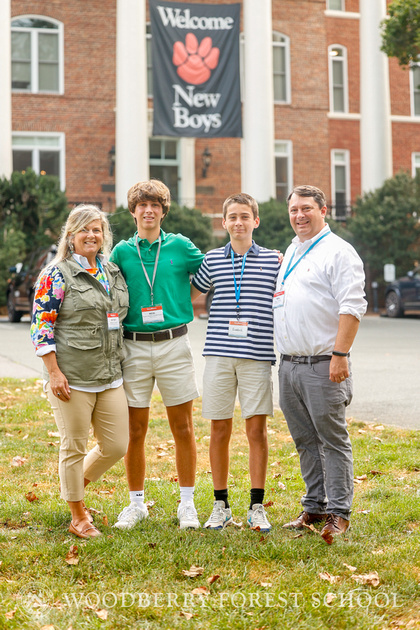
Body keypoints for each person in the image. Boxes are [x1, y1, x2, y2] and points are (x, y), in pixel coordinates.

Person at [273, 185, 367, 544]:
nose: (299, 215)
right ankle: (314, 505)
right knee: (304, 440)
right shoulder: (293, 250)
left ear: (323, 210)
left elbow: (352, 306)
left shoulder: (338, 252)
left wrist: (340, 355)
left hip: (324, 364)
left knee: (332, 440)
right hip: (290, 365)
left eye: (307, 208)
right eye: (294, 209)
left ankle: (339, 513)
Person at [110, 179, 205, 530]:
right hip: (133, 346)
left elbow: (208, 275)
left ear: (163, 211)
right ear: (133, 211)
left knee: (183, 426)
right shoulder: (120, 252)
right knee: (135, 429)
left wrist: (182, 300)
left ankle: (187, 503)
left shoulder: (181, 246)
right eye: (141, 205)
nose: (148, 211)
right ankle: (136, 504)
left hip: (173, 344)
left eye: (155, 205)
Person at [31, 205, 129, 539]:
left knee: (116, 446)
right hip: (71, 377)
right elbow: (41, 326)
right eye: (84, 230)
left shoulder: (112, 271)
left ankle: (75, 492)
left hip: (110, 375)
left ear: (104, 236)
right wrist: (54, 372)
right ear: (71, 236)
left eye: (97, 230)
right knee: (74, 445)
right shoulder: (57, 273)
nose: (91, 235)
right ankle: (77, 515)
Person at [191, 193, 280, 532]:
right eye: (233, 217)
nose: (239, 222)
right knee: (218, 428)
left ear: (255, 221)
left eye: (245, 216)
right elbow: (188, 296)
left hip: (257, 357)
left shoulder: (274, 261)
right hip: (218, 355)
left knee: (256, 429)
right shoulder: (212, 261)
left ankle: (257, 505)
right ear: (224, 222)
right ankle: (221, 504)